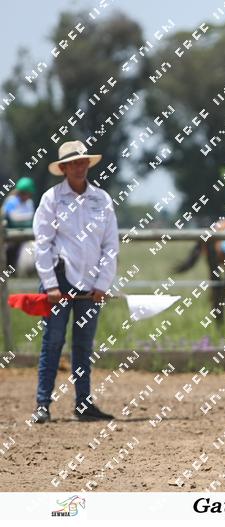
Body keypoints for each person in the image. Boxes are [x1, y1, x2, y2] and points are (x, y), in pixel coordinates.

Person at [31, 140, 119, 423]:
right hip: (59, 280)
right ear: (64, 168)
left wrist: (103, 283)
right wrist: (50, 284)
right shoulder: (52, 199)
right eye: (74, 163)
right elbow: (42, 244)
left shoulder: (102, 199)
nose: (80, 167)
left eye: (83, 162)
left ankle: (83, 403)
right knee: (53, 342)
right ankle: (43, 404)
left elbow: (110, 245)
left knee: (83, 345)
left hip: (91, 284)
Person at [2, 176, 36, 268]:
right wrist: (26, 217)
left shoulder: (29, 203)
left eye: (27, 194)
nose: (25, 196)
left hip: (26, 235)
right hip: (9, 237)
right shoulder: (11, 201)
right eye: (23, 193)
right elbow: (13, 217)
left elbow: (31, 216)